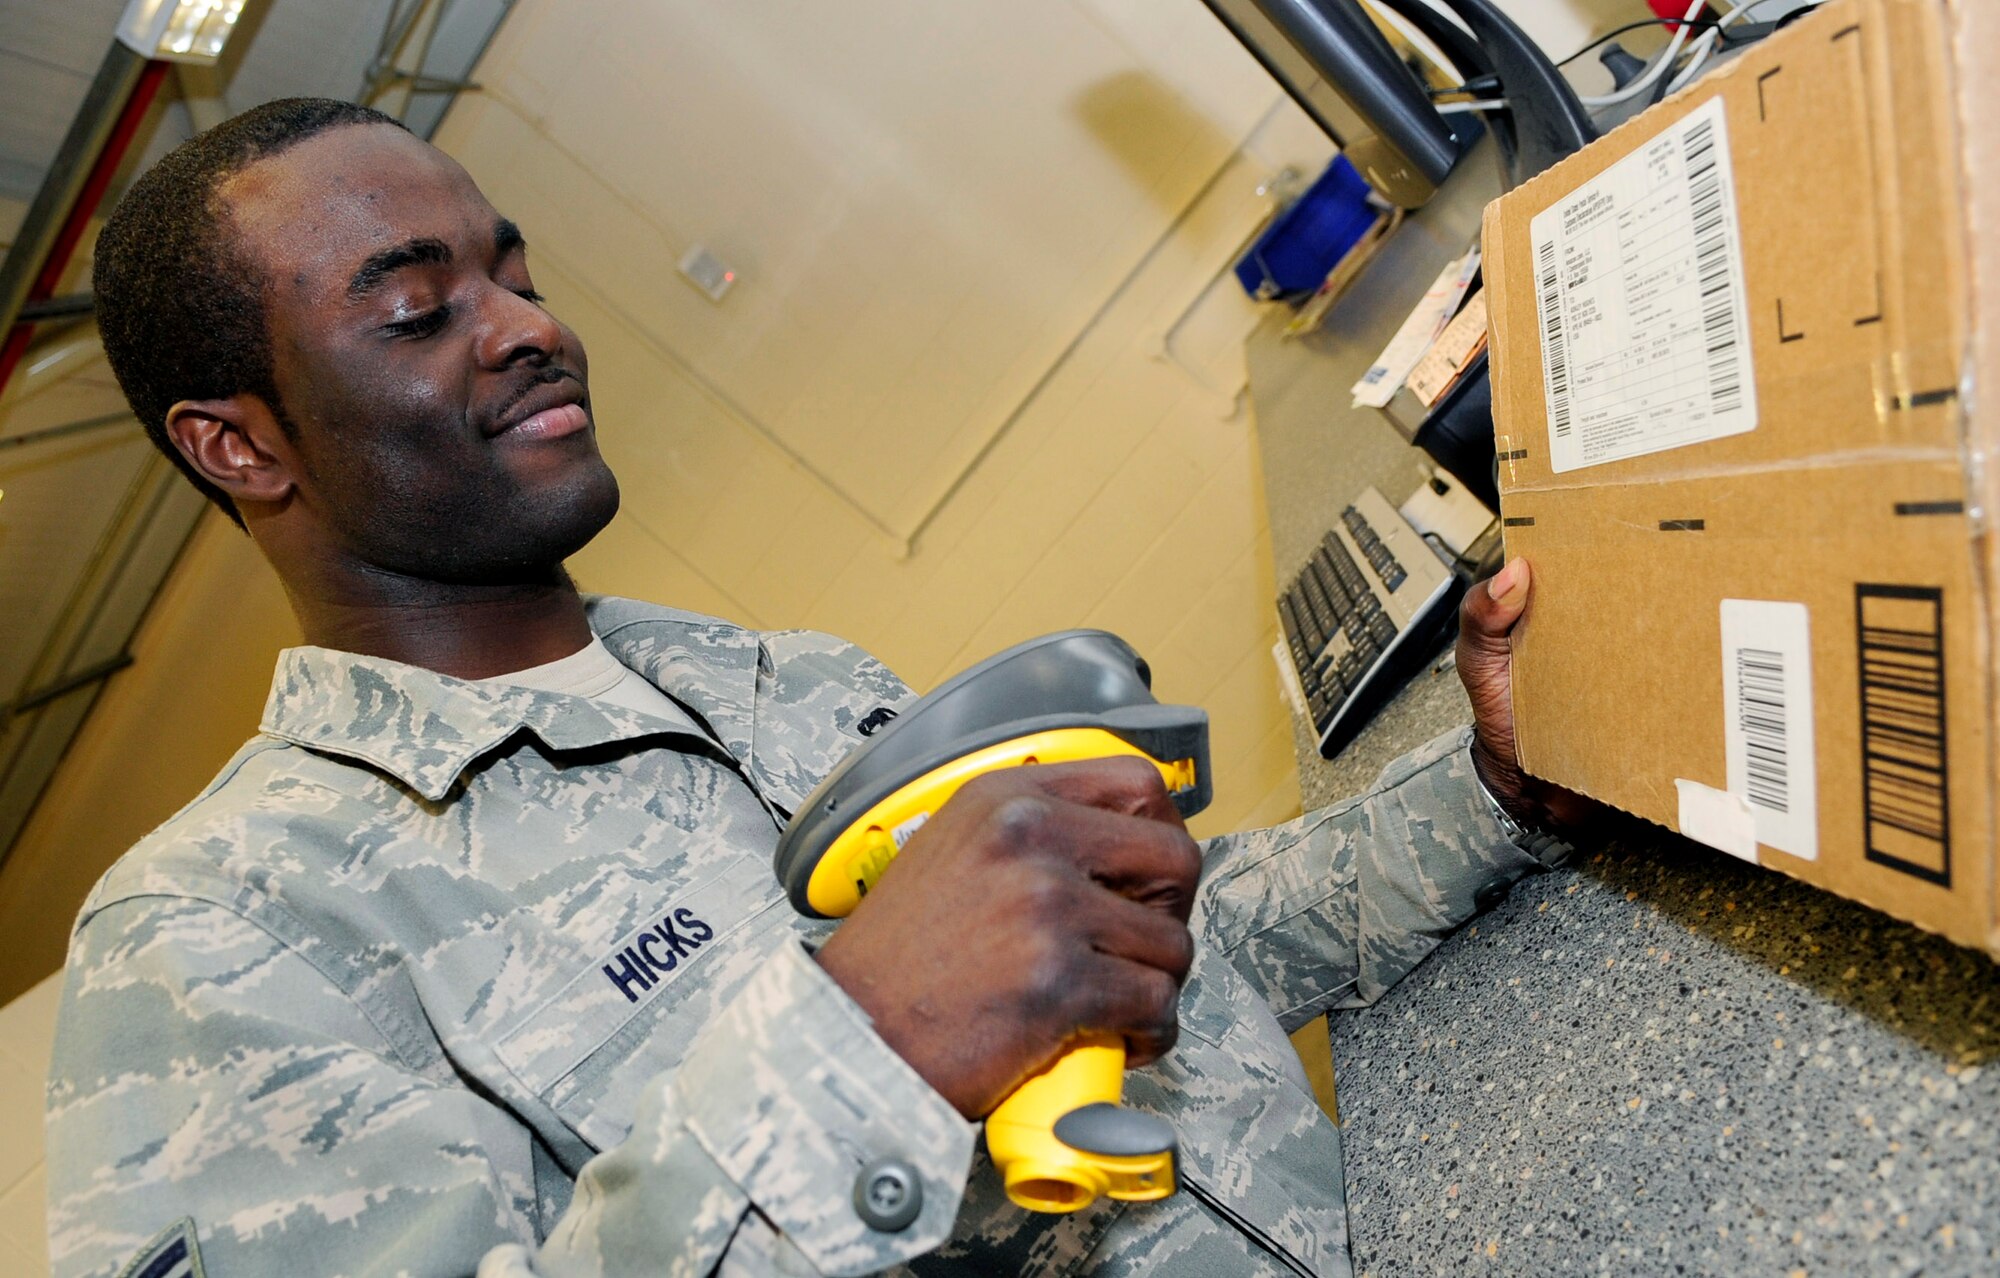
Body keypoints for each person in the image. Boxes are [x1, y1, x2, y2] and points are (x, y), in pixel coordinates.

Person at [46, 99, 1583, 1278]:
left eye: (512, 270)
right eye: (416, 310)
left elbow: (1159, 960)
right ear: (238, 444)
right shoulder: (213, 936)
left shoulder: (769, 674)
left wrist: (1488, 791)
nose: (529, 327)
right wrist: (865, 1044)